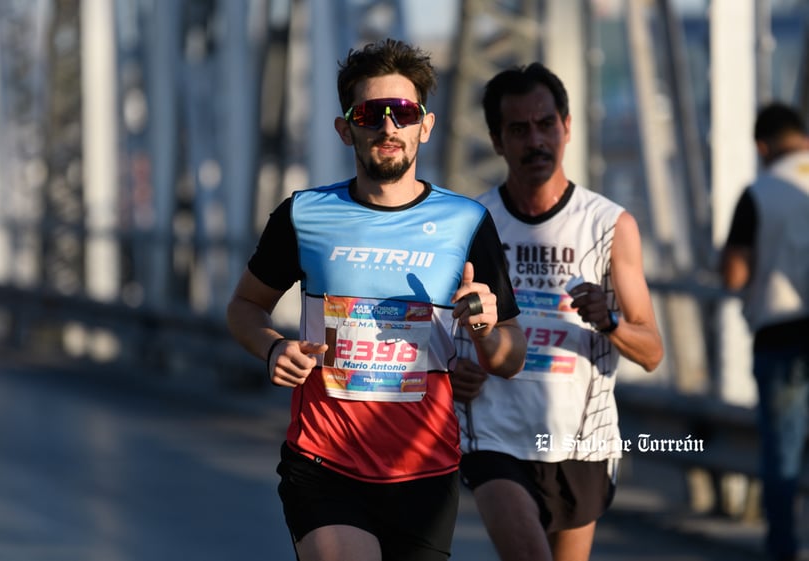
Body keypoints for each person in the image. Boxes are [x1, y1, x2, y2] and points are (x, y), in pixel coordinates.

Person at [226, 38, 526, 561]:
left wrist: (481, 329)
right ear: (346, 128)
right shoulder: (304, 215)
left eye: (404, 112)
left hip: (426, 471)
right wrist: (274, 348)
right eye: (371, 113)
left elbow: (510, 357)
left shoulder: (466, 223)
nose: (388, 127)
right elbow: (244, 308)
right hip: (324, 463)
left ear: (424, 126)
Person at [449, 62, 664, 561]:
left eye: (546, 124)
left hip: (581, 444)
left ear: (567, 127)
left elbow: (652, 352)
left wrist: (608, 321)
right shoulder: (469, 224)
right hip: (495, 438)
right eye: (519, 130)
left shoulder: (609, 225)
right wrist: (449, 369)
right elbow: (439, 329)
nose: (535, 141)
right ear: (498, 141)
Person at [720, 102, 809, 561]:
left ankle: (784, 550)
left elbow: (734, 274)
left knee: (783, 456)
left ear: (762, 146)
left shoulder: (759, 193)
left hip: (780, 335)